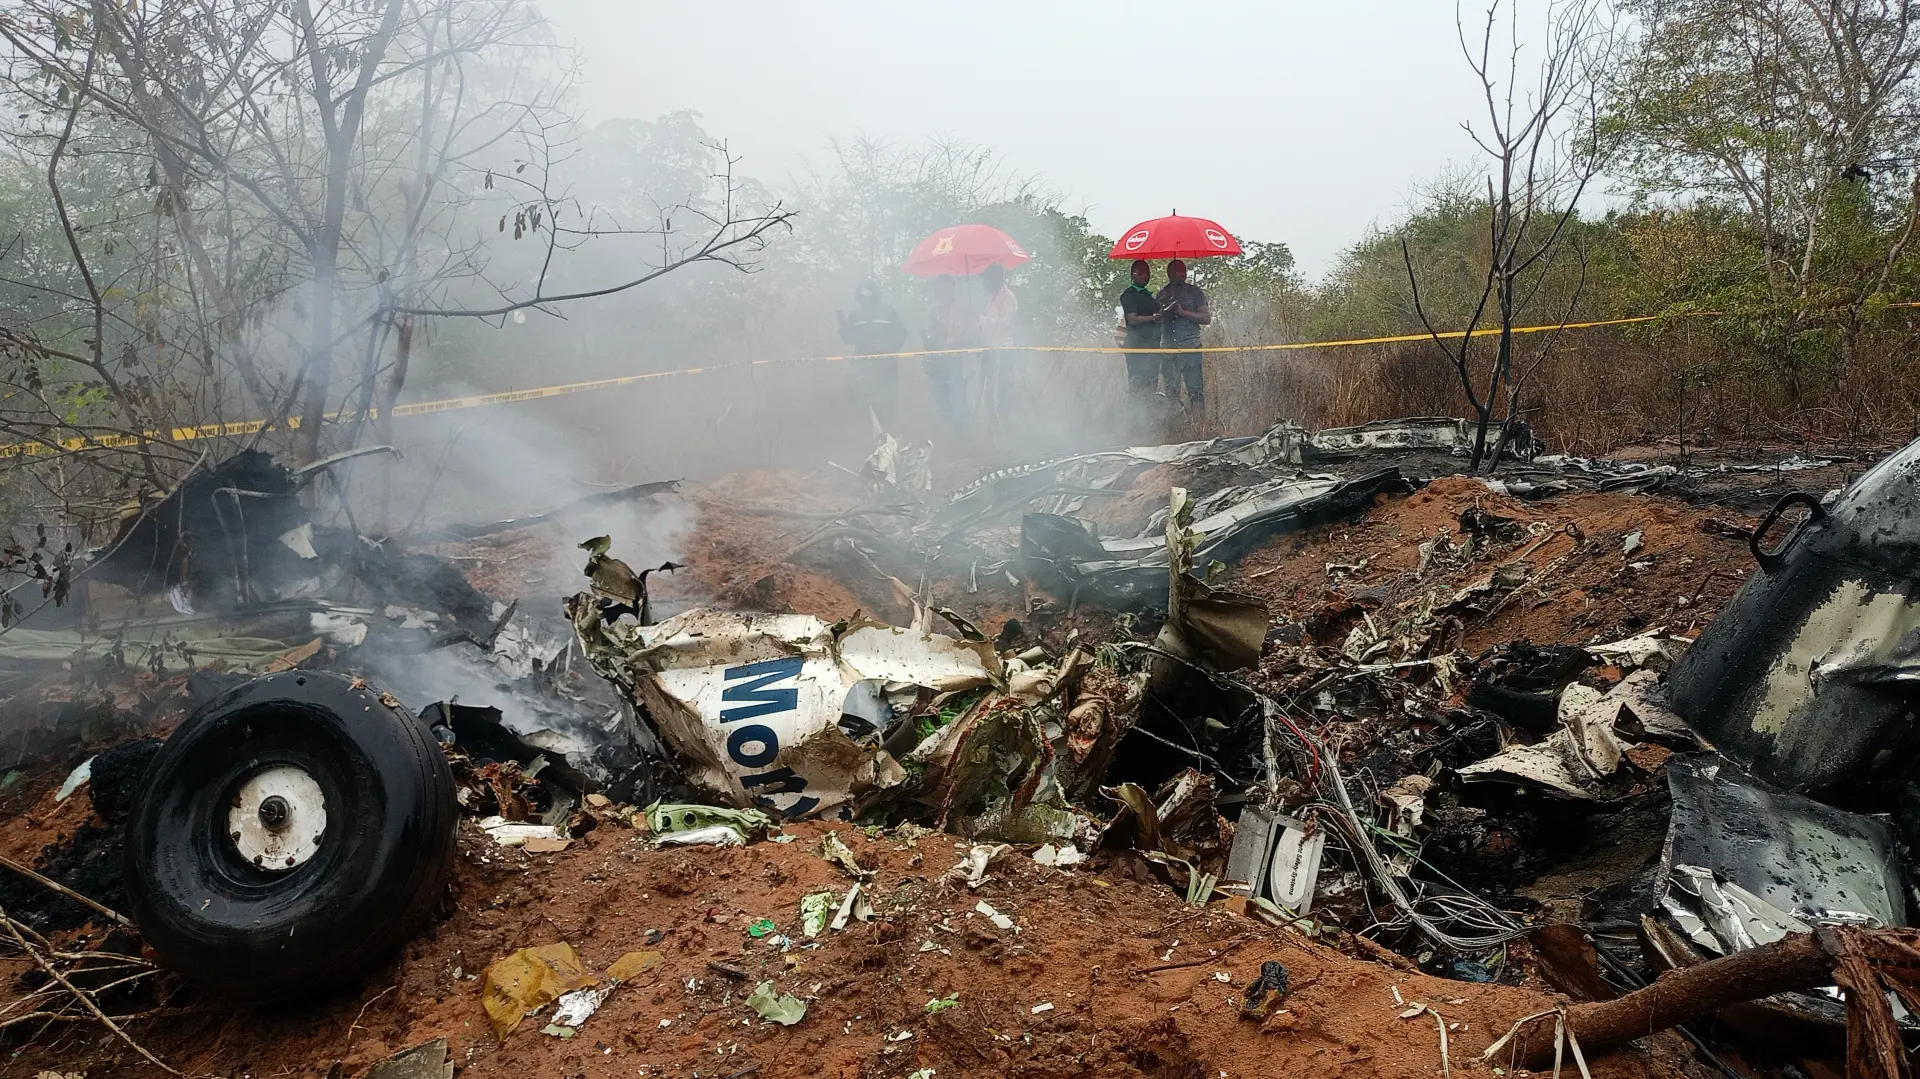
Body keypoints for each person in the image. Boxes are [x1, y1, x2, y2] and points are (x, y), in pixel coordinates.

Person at [837, 281, 908, 425]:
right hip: (862, 366)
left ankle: (889, 431)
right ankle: (868, 431)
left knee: (887, 402)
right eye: (862, 297)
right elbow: (849, 339)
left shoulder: (888, 310)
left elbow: (901, 333)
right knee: (862, 400)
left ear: (875, 296)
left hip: (886, 365)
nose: (865, 301)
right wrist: (843, 325)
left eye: (867, 297)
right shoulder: (855, 316)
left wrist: (889, 346)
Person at [1155, 259, 1211, 416]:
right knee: (1171, 393)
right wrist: (1162, 313)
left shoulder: (1195, 293)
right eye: (1178, 271)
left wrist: (1182, 312)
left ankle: (1200, 425)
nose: (1183, 274)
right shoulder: (1161, 295)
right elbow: (1155, 321)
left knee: (1195, 391)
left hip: (1190, 348)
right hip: (1168, 350)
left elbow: (1206, 318)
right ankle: (1176, 425)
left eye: (1184, 271)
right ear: (1169, 274)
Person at [1118, 259, 1166, 428]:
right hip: (1137, 345)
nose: (1144, 277)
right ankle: (1134, 423)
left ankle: (1149, 421)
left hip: (1152, 345)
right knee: (1137, 383)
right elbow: (1132, 319)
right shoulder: (1129, 295)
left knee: (1151, 383)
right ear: (1132, 275)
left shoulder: (1148, 295)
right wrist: (1153, 317)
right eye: (1140, 274)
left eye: (1147, 273)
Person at [923, 274, 972, 428]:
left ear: (951, 289)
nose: (940, 292)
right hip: (938, 360)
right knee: (939, 394)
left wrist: (955, 338)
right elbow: (930, 336)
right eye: (937, 289)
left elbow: (970, 335)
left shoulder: (963, 310)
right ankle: (946, 427)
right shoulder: (934, 311)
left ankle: (962, 431)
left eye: (943, 288)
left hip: (956, 359)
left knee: (957, 396)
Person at [976, 263, 1018, 418]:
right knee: (987, 389)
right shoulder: (991, 298)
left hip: (1002, 350)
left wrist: (983, 320)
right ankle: (991, 421)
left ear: (996, 278)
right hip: (988, 349)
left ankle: (1004, 421)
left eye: (986, 278)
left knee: (1000, 390)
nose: (984, 282)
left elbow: (1006, 323)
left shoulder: (1008, 297)